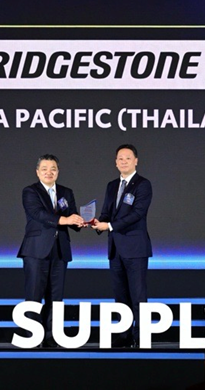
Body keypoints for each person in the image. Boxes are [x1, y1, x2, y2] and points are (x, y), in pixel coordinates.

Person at [17, 153, 84, 347]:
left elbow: (72, 216)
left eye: (53, 169)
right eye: (44, 169)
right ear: (37, 172)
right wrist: (65, 220)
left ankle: (52, 337)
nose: (49, 172)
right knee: (34, 295)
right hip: (36, 250)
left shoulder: (66, 192)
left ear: (58, 172)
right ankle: (32, 337)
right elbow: (38, 214)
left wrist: (82, 221)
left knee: (56, 297)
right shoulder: (30, 191)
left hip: (60, 250)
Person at [91, 143, 153, 347]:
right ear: (115, 162)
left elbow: (137, 214)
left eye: (128, 158)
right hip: (115, 249)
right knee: (120, 296)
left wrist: (109, 226)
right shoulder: (112, 185)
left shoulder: (143, 184)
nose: (124, 161)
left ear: (136, 161)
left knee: (138, 295)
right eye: (120, 158)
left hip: (135, 248)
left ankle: (141, 335)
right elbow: (106, 213)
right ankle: (124, 334)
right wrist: (96, 223)